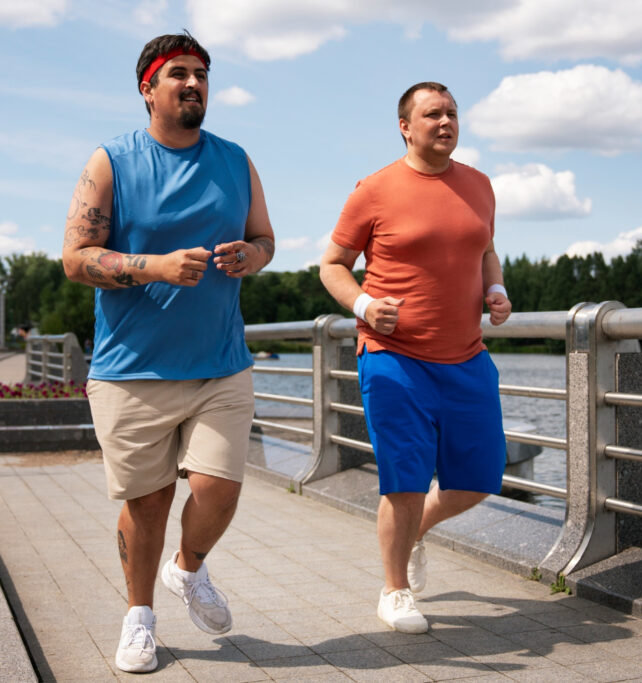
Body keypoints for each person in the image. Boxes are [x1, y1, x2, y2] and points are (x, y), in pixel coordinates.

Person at [62, 31, 275, 673]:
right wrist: (153, 265)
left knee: (218, 488)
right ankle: (139, 618)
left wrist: (251, 258)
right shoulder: (111, 161)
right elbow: (76, 259)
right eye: (178, 72)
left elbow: (265, 238)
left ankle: (190, 569)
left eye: (202, 73)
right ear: (147, 88)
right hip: (132, 369)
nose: (193, 83)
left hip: (221, 364)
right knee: (149, 503)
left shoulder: (236, 160)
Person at [320, 81, 511, 634]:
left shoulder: (479, 184)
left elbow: (485, 249)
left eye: (452, 113)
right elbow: (332, 263)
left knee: (479, 478)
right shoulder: (375, 189)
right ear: (405, 126)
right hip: (393, 356)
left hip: (466, 357)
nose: (446, 121)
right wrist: (362, 302)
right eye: (433, 114)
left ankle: (416, 532)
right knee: (403, 479)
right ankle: (395, 590)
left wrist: (494, 289)